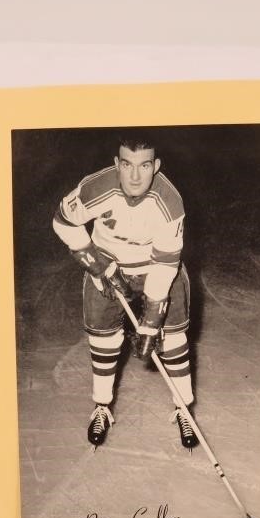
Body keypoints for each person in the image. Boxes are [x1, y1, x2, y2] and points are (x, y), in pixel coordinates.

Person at [52, 134, 198, 450]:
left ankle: (183, 407)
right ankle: (102, 406)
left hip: (157, 268)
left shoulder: (169, 201)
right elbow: (63, 221)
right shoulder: (95, 188)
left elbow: (165, 261)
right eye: (127, 165)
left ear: (156, 166)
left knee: (171, 337)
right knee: (103, 339)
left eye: (144, 165)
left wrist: (151, 319)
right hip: (106, 265)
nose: (134, 176)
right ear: (116, 164)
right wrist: (95, 261)